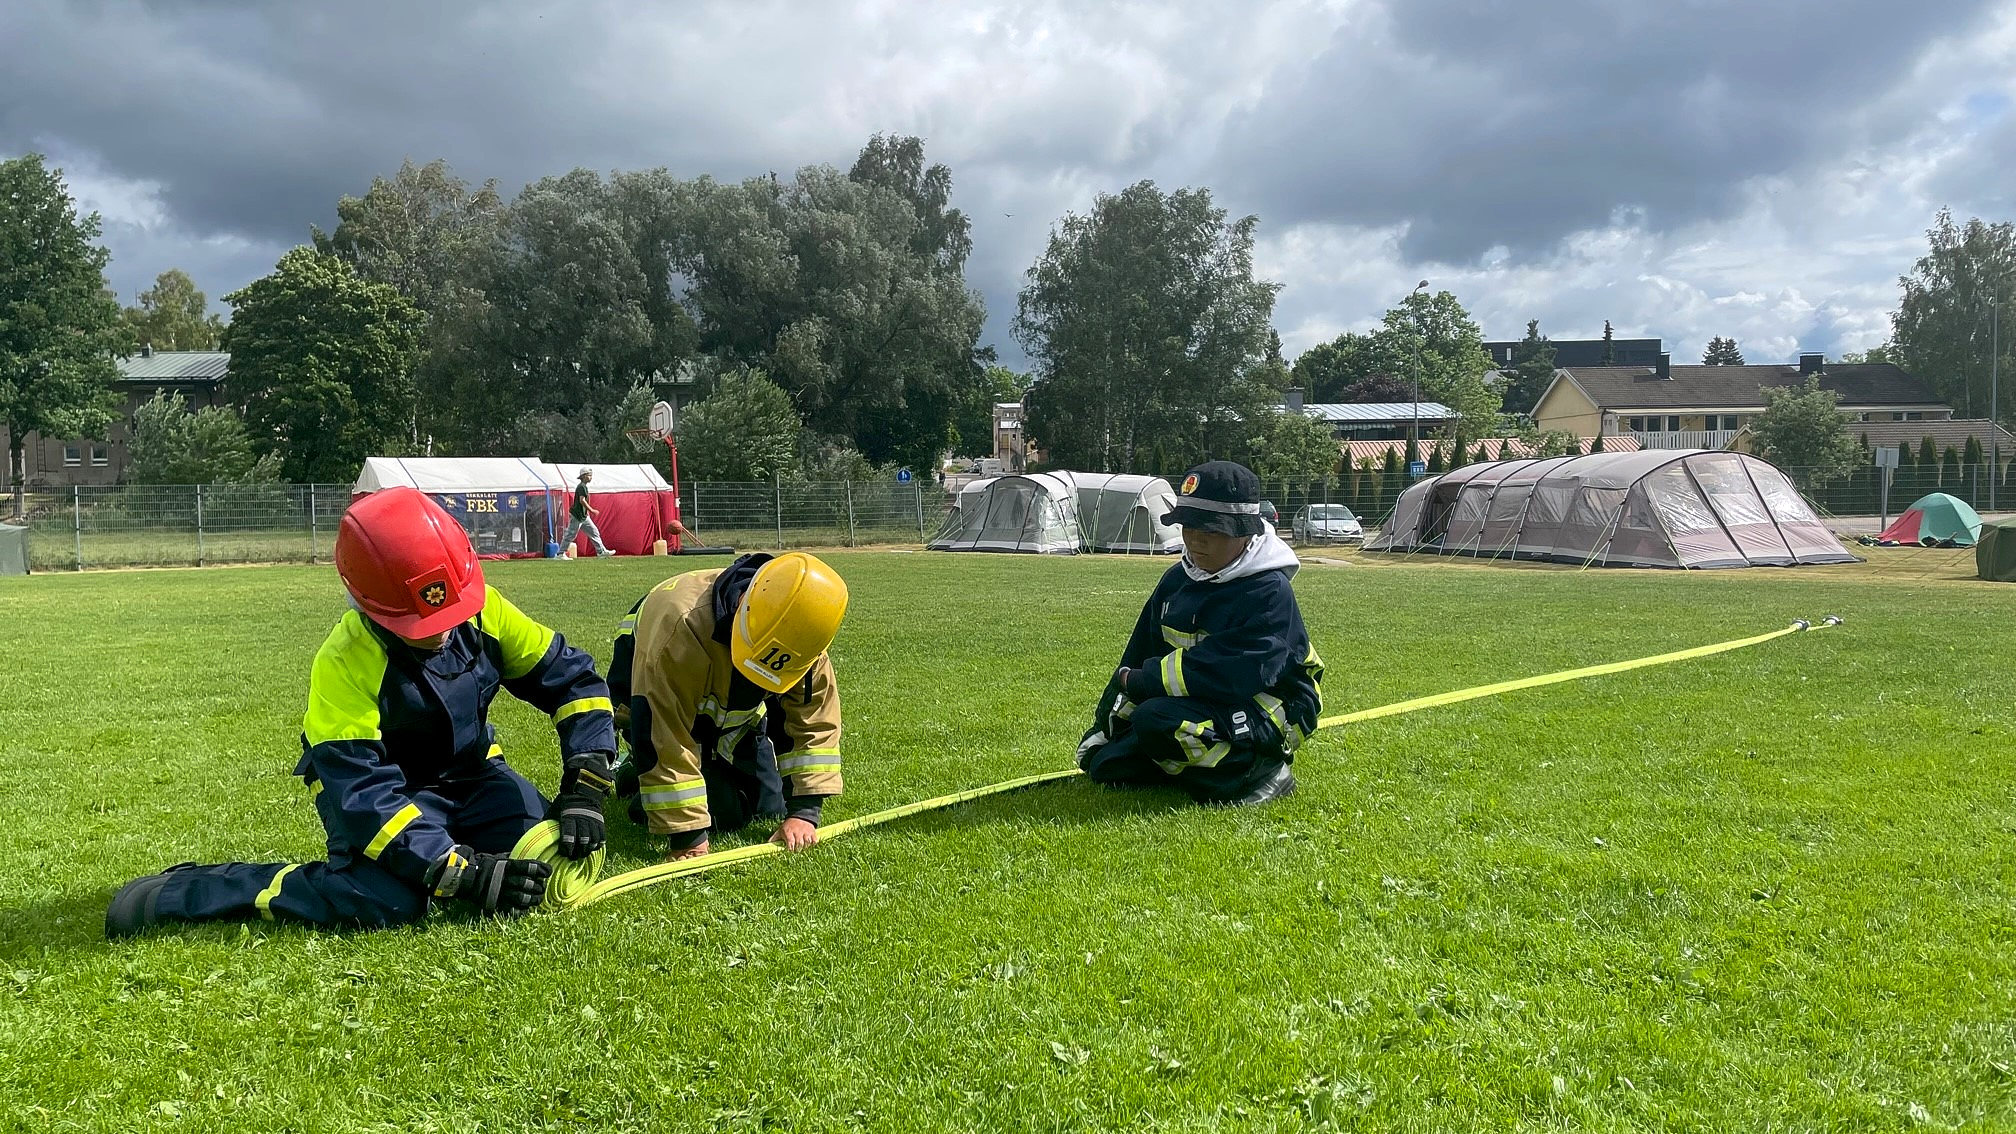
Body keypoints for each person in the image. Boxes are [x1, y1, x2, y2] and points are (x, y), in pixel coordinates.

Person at [105, 487, 619, 936]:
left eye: (450, 614)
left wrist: (586, 785)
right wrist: (463, 873)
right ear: (372, 606)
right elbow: (364, 797)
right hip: (389, 791)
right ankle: (198, 890)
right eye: (421, 623)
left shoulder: (482, 605)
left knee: (534, 857)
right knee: (386, 902)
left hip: (472, 773)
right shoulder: (345, 661)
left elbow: (574, 682)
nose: (441, 630)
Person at [1075, 460, 1322, 806]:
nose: (1195, 540)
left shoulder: (1268, 590)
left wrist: (1143, 684)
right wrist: (1109, 722)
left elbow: (1233, 673)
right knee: (1105, 764)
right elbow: (1136, 658)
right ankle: (1182, 759)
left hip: (1272, 703)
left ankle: (1263, 771)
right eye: (1188, 527)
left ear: (1246, 531)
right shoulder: (1176, 581)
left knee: (1155, 721)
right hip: (1203, 701)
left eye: (1212, 531)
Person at [606, 552, 847, 859]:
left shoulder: (804, 634)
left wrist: (803, 812)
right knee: (722, 810)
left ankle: (667, 771)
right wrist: (688, 836)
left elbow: (811, 720)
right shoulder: (680, 625)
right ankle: (636, 773)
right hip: (649, 696)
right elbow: (663, 732)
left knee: (767, 806)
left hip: (733, 716)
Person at [562, 467, 614, 557]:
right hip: (577, 516)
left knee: (594, 532)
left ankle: (601, 552)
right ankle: (560, 554)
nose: (591, 477)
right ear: (584, 476)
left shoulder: (584, 486)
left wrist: (587, 512)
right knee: (570, 535)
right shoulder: (582, 487)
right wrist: (592, 510)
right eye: (589, 475)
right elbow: (582, 500)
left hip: (584, 516)